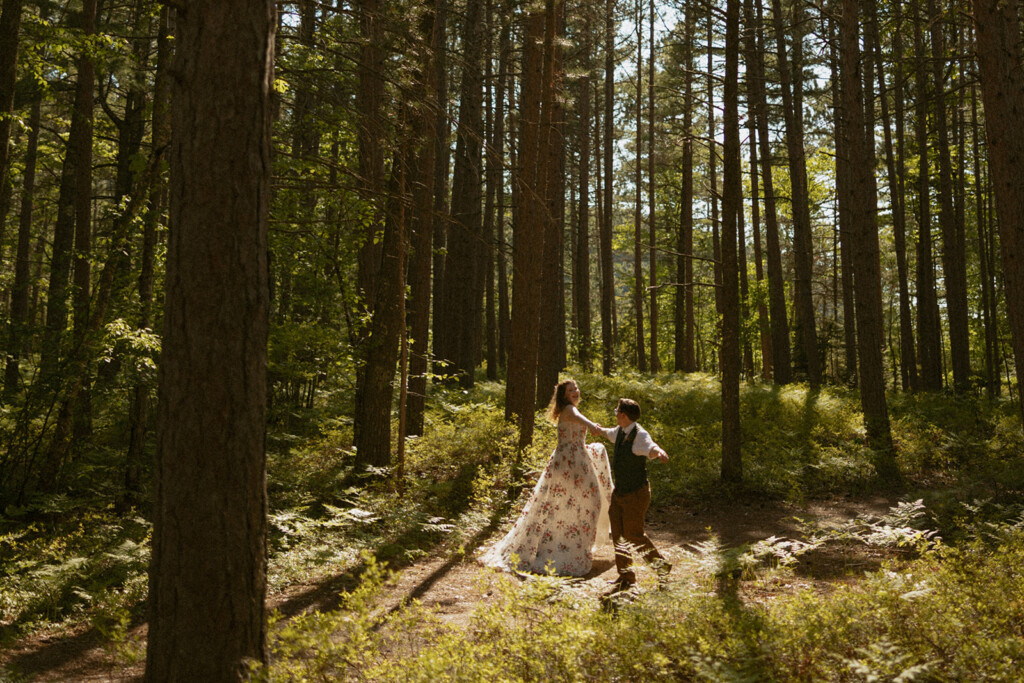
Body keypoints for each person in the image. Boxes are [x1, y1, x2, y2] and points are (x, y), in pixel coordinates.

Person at [480, 379, 613, 576]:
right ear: (564, 395)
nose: (575, 391)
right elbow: (580, 420)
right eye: (570, 390)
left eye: (576, 388)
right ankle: (560, 550)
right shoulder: (569, 409)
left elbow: (577, 431)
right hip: (568, 464)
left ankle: (572, 546)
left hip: (576, 462)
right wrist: (596, 428)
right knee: (566, 504)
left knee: (580, 503)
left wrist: (592, 436)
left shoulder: (571, 410)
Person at [592, 397, 671, 593]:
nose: (615, 413)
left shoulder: (639, 435)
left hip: (636, 493)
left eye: (617, 411)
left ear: (623, 415)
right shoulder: (620, 431)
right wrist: (598, 429)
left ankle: (661, 567)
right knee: (618, 534)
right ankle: (626, 576)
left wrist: (659, 452)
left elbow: (650, 447)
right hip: (620, 493)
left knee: (634, 535)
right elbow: (608, 433)